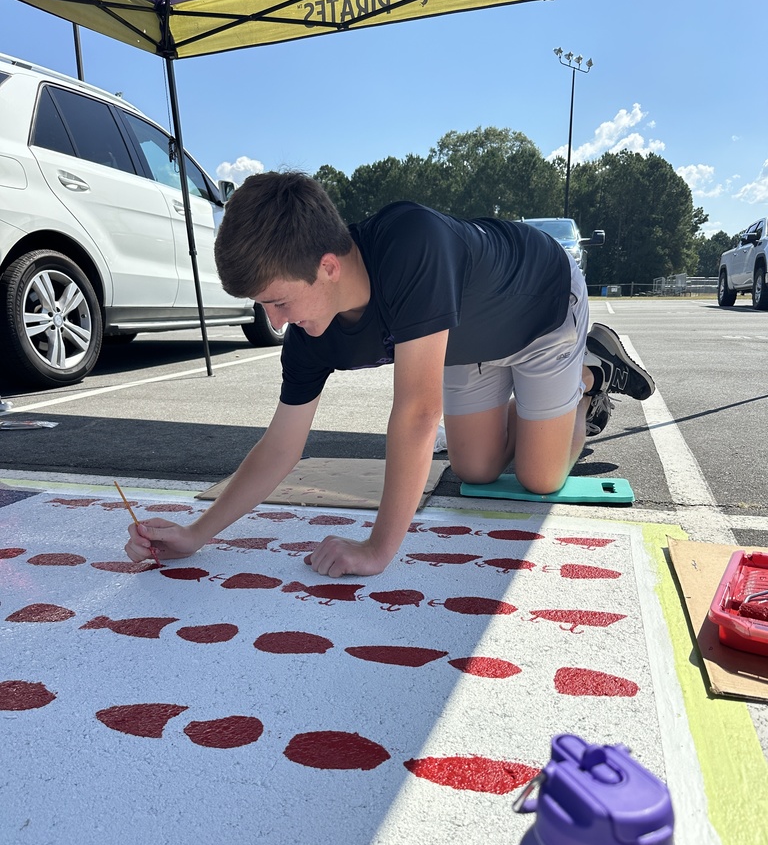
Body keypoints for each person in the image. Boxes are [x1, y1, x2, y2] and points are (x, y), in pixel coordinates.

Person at [124, 171, 654, 577]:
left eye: (278, 301)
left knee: (541, 478)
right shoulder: (310, 332)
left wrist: (378, 549)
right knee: (477, 471)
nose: (275, 322)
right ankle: (547, 408)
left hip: (541, 311)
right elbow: (282, 447)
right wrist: (197, 534)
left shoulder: (411, 241)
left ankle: (588, 376)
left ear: (328, 266)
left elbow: (420, 414)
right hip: (463, 345)